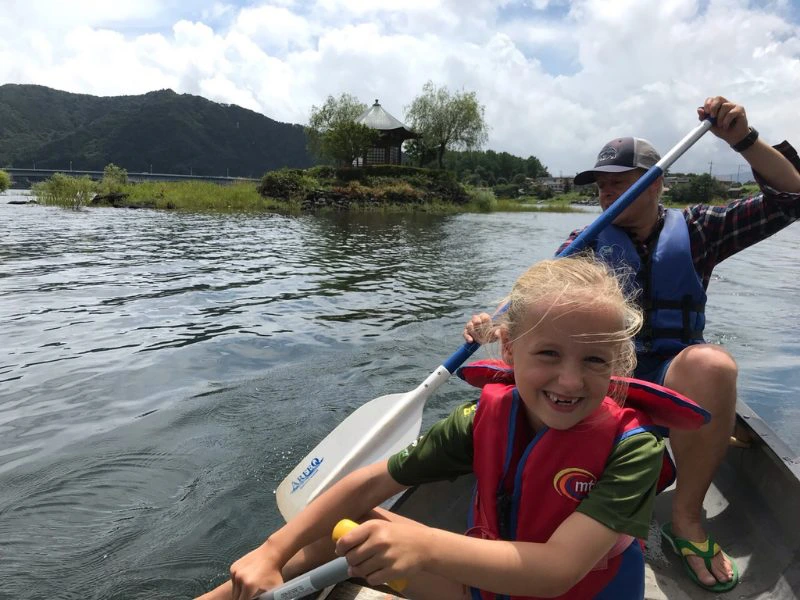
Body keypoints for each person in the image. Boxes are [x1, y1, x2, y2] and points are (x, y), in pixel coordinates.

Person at [198, 255, 708, 600]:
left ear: (617, 362)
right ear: (509, 350)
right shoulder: (481, 420)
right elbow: (365, 484)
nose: (570, 380)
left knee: (375, 536)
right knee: (348, 530)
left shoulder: (633, 449)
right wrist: (270, 552)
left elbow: (558, 570)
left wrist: (426, 547)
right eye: (548, 353)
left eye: (595, 360)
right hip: (483, 588)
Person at [464, 96, 800, 593]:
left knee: (713, 365)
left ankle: (686, 520)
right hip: (604, 375)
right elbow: (535, 298)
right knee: (534, 384)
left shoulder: (700, 229)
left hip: (672, 374)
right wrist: (491, 323)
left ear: (656, 183)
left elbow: (790, 199)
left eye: (620, 183)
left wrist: (742, 140)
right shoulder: (589, 240)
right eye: (602, 187)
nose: (606, 195)